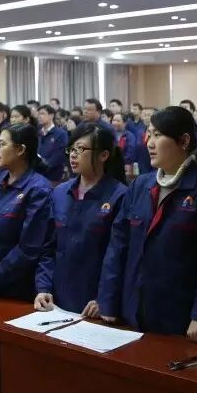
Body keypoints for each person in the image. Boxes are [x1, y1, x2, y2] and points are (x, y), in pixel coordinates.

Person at [98, 106, 197, 341]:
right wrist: (108, 300)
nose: (149, 142)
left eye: (158, 135)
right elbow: (118, 246)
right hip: (133, 310)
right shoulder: (140, 186)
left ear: (184, 141)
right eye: (149, 134)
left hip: (181, 315)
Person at [35, 124, 128, 314]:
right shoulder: (60, 192)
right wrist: (43, 287)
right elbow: (48, 247)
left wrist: (105, 299)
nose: (73, 155)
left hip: (94, 303)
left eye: (81, 149)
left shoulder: (120, 196)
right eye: (71, 149)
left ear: (103, 155)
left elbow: (120, 256)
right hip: (56, 301)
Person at [0, 123, 53, 301]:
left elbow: (29, 246)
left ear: (20, 150)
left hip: (15, 286)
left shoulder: (38, 189)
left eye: (2, 144)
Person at [36, 105, 68, 182]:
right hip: (37, 174)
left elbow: (59, 155)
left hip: (53, 175)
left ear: (51, 116)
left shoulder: (60, 133)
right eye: (38, 114)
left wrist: (44, 166)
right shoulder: (38, 133)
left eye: (42, 114)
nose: (39, 116)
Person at [111, 112, 139, 178]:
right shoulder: (110, 135)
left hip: (125, 170)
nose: (115, 123)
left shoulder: (130, 136)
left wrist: (116, 161)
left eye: (118, 121)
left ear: (124, 123)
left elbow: (130, 156)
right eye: (113, 120)